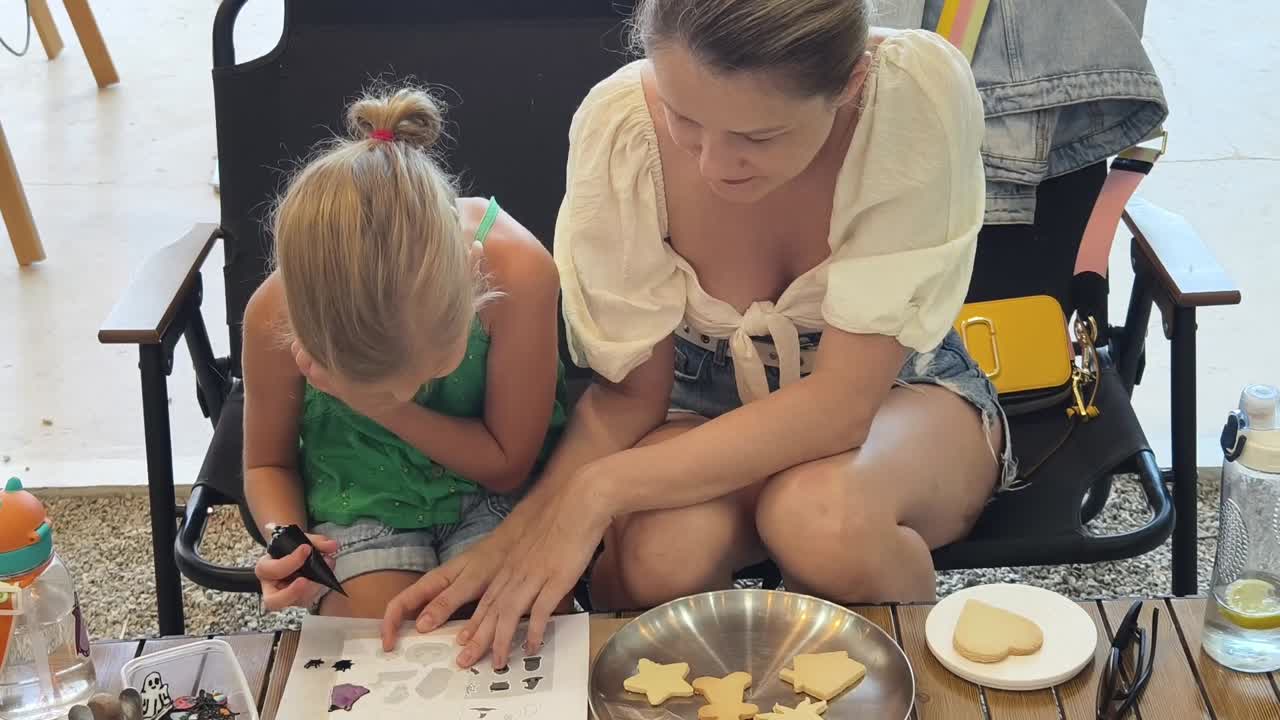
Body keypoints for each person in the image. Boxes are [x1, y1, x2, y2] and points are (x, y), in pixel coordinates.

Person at [381, 0, 1015, 668]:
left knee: (822, 522)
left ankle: (916, 697)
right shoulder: (621, 124)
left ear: (851, 83)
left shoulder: (910, 95)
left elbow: (842, 407)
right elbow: (630, 401)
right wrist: (521, 534)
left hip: (899, 393)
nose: (715, 164)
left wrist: (597, 492)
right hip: (699, 396)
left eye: (759, 136)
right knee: (660, 556)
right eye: (683, 116)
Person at [242, 87, 568, 619]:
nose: (405, 394)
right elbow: (266, 462)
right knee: (374, 651)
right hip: (358, 497)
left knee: (502, 634)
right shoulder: (273, 313)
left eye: (424, 373)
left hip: (500, 493)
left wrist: (376, 403)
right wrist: (286, 537)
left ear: (471, 274)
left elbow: (506, 467)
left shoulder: (521, 274)